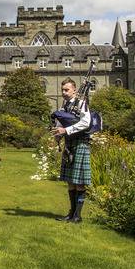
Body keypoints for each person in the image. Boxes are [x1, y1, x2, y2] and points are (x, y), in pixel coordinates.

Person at [52, 78, 92, 222]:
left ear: (74, 90)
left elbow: (86, 123)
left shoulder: (81, 103)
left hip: (81, 143)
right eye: (62, 90)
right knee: (70, 180)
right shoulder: (64, 107)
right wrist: (58, 135)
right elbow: (60, 123)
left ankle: (77, 216)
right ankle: (71, 213)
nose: (64, 92)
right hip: (69, 144)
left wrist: (66, 130)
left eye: (67, 90)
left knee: (79, 181)